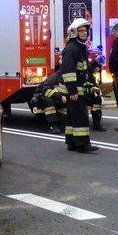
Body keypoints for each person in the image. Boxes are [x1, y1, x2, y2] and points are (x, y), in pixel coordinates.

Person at [61, 18, 99, 153]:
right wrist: (72, 91)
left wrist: (92, 85)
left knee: (72, 116)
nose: (84, 33)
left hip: (77, 89)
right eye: (81, 31)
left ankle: (71, 142)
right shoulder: (72, 49)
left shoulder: (79, 47)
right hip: (74, 90)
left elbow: (85, 71)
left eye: (85, 30)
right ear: (73, 33)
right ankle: (82, 144)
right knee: (81, 116)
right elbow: (68, 72)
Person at [29, 69, 66, 134]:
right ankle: (53, 126)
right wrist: (60, 97)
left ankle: (62, 123)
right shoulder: (55, 77)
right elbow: (45, 91)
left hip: (54, 96)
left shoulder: (68, 79)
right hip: (39, 98)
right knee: (48, 100)